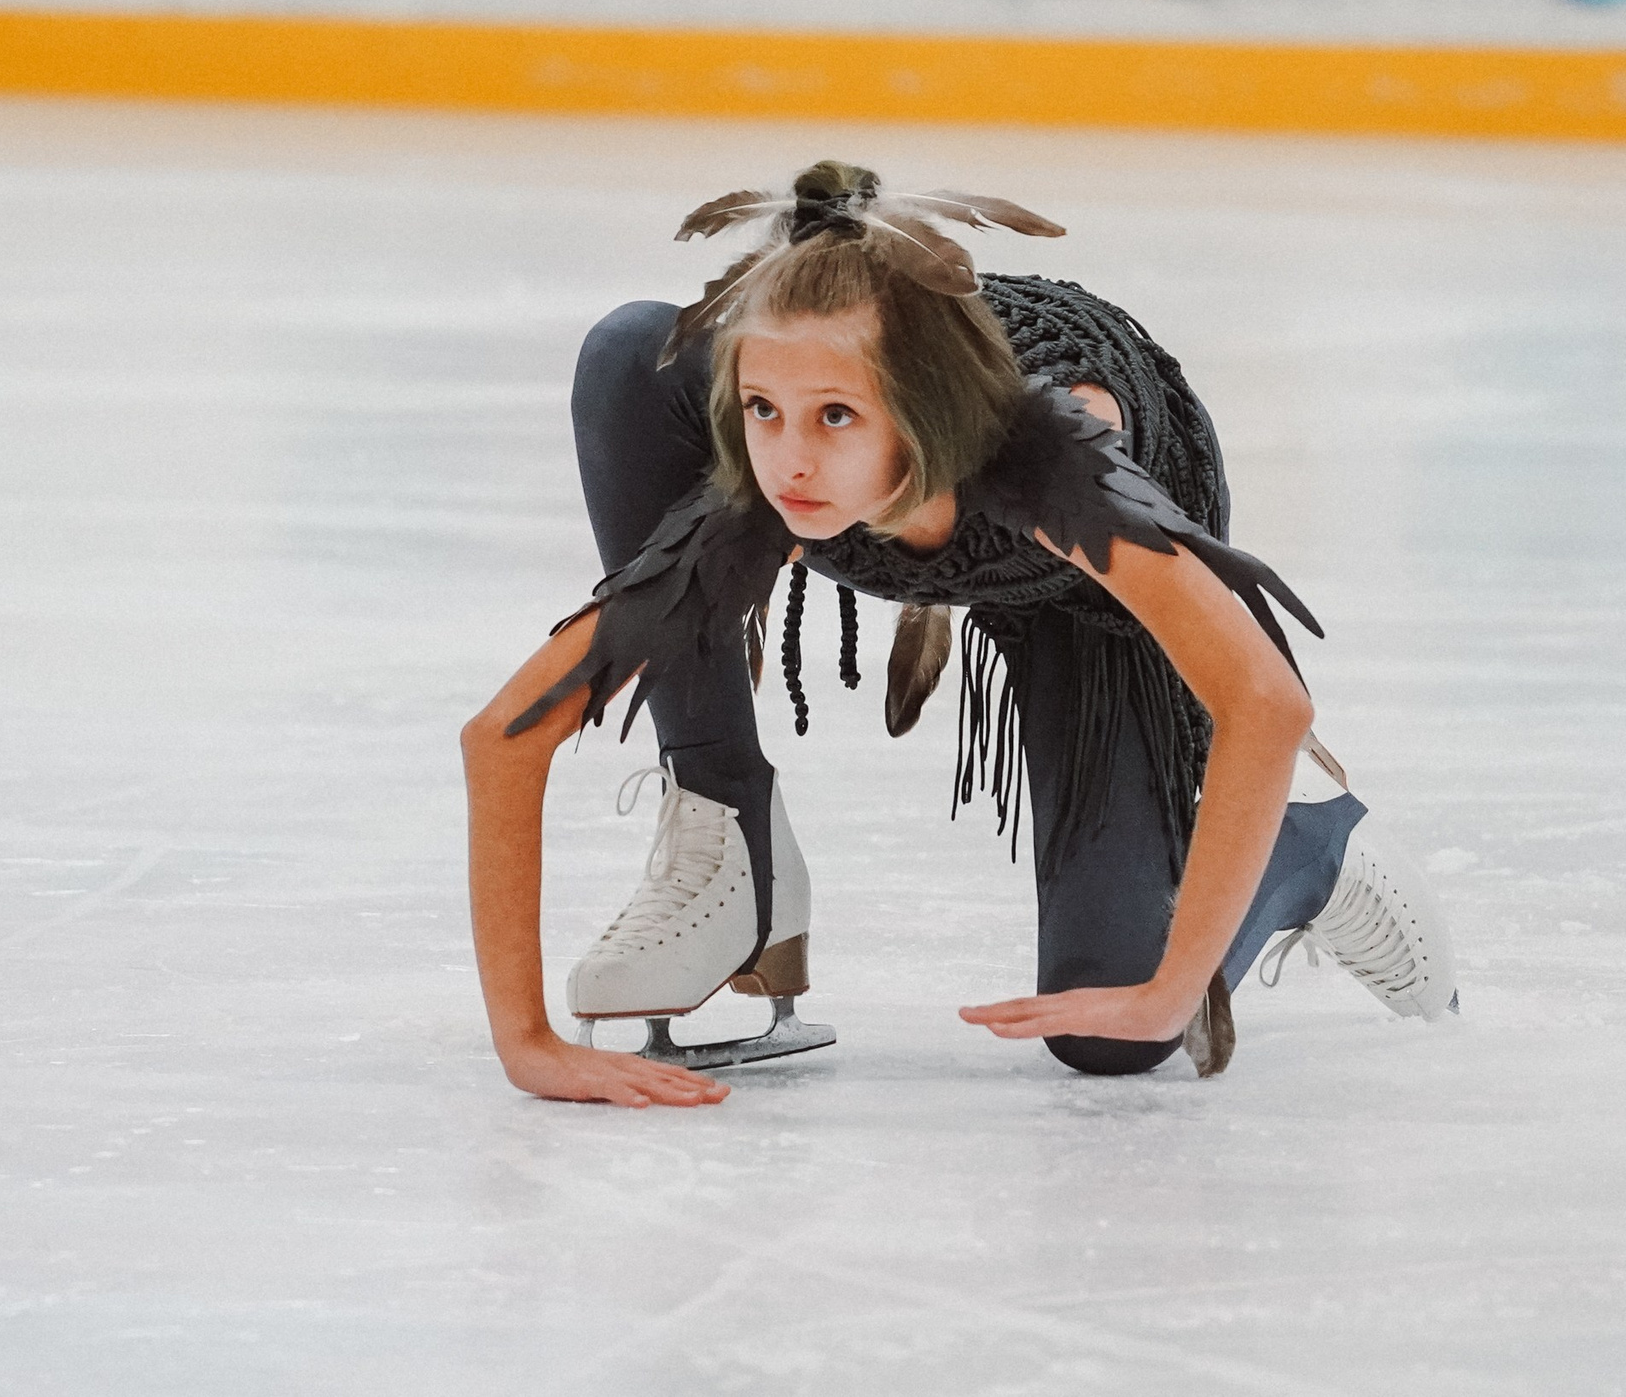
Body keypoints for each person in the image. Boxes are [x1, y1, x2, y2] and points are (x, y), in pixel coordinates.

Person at [459, 162, 1456, 1108]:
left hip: (1084, 591)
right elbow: (504, 735)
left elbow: (1264, 702)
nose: (787, 459)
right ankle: (726, 829)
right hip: (913, 460)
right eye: (761, 409)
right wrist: (529, 1047)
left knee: (1111, 1037)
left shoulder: (1057, 467)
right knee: (637, 347)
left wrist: (1162, 995)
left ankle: (1303, 849)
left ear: (922, 413)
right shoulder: (776, 478)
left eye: (833, 416)